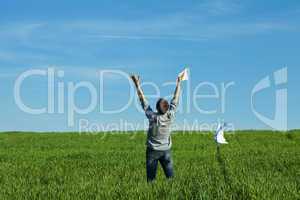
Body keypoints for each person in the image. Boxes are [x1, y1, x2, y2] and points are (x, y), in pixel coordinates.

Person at [131, 75, 182, 182]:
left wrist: (137, 85)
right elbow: (175, 100)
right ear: (167, 108)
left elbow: (143, 101)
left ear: (156, 108)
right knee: (171, 179)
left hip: (152, 151)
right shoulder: (170, 116)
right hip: (166, 151)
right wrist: (179, 83)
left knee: (151, 180)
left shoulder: (153, 117)